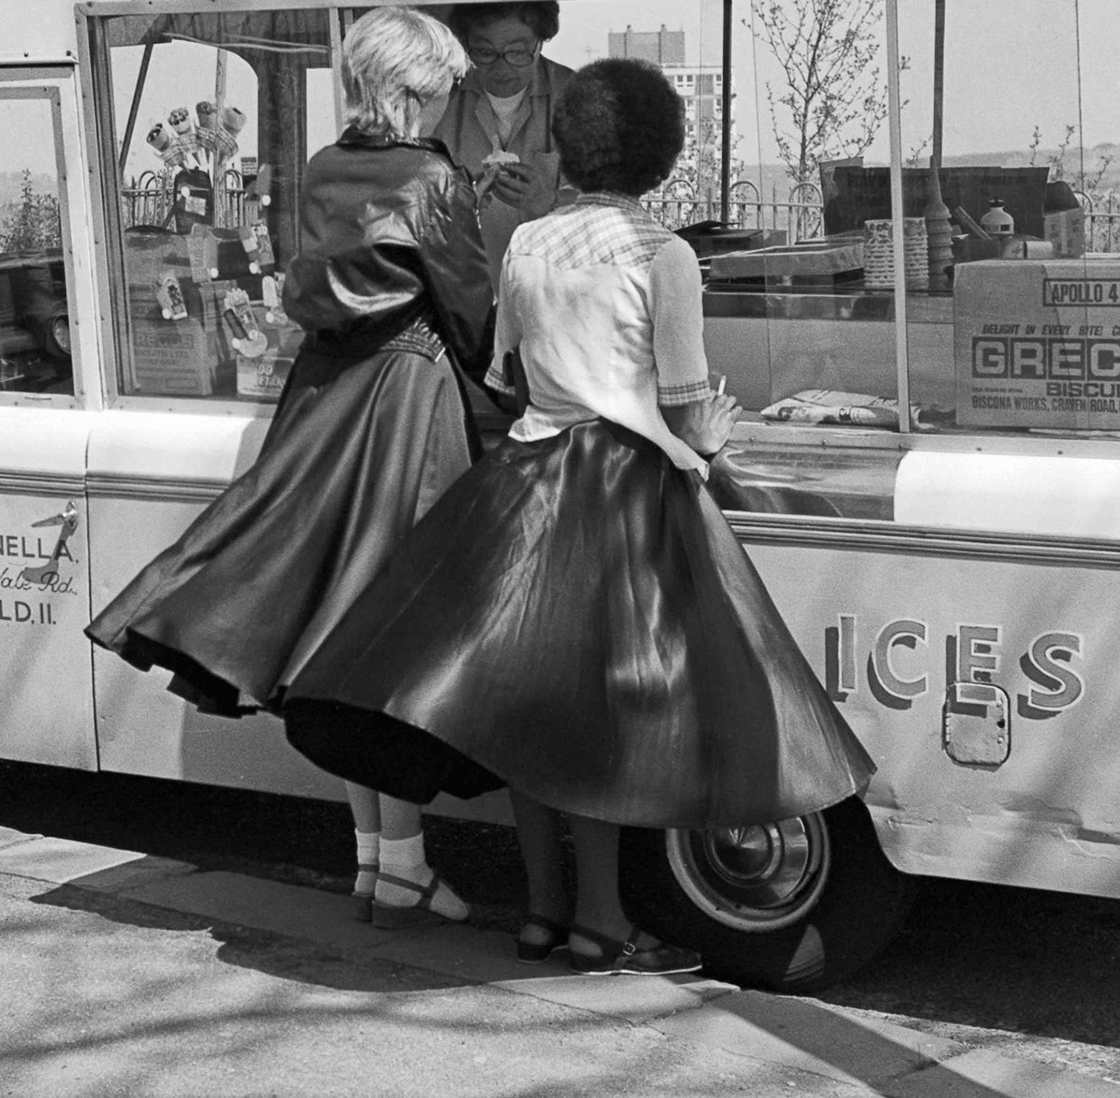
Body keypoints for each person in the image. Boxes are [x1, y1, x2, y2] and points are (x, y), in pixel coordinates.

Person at [284, 58, 875, 975]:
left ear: (570, 147)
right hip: (628, 488)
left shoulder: (525, 243)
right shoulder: (664, 254)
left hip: (526, 482)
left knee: (530, 716)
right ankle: (603, 921)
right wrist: (713, 436)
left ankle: (543, 911)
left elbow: (508, 372)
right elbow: (680, 398)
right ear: (663, 157)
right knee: (609, 723)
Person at [87, 6, 495, 929]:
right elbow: (472, 315)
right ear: (408, 88)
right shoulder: (435, 179)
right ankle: (404, 865)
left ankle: (378, 864)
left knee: (334, 634)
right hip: (410, 401)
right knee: (394, 640)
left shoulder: (322, 166)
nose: (443, 107)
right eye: (436, 91)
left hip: (324, 397)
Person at [423, 1, 578, 278]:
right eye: (484, 52)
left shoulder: (573, 95)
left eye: (517, 52)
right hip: (467, 285)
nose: (501, 66)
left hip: (554, 283)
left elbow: (606, 204)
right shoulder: (443, 96)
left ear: (540, 43)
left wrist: (551, 201)